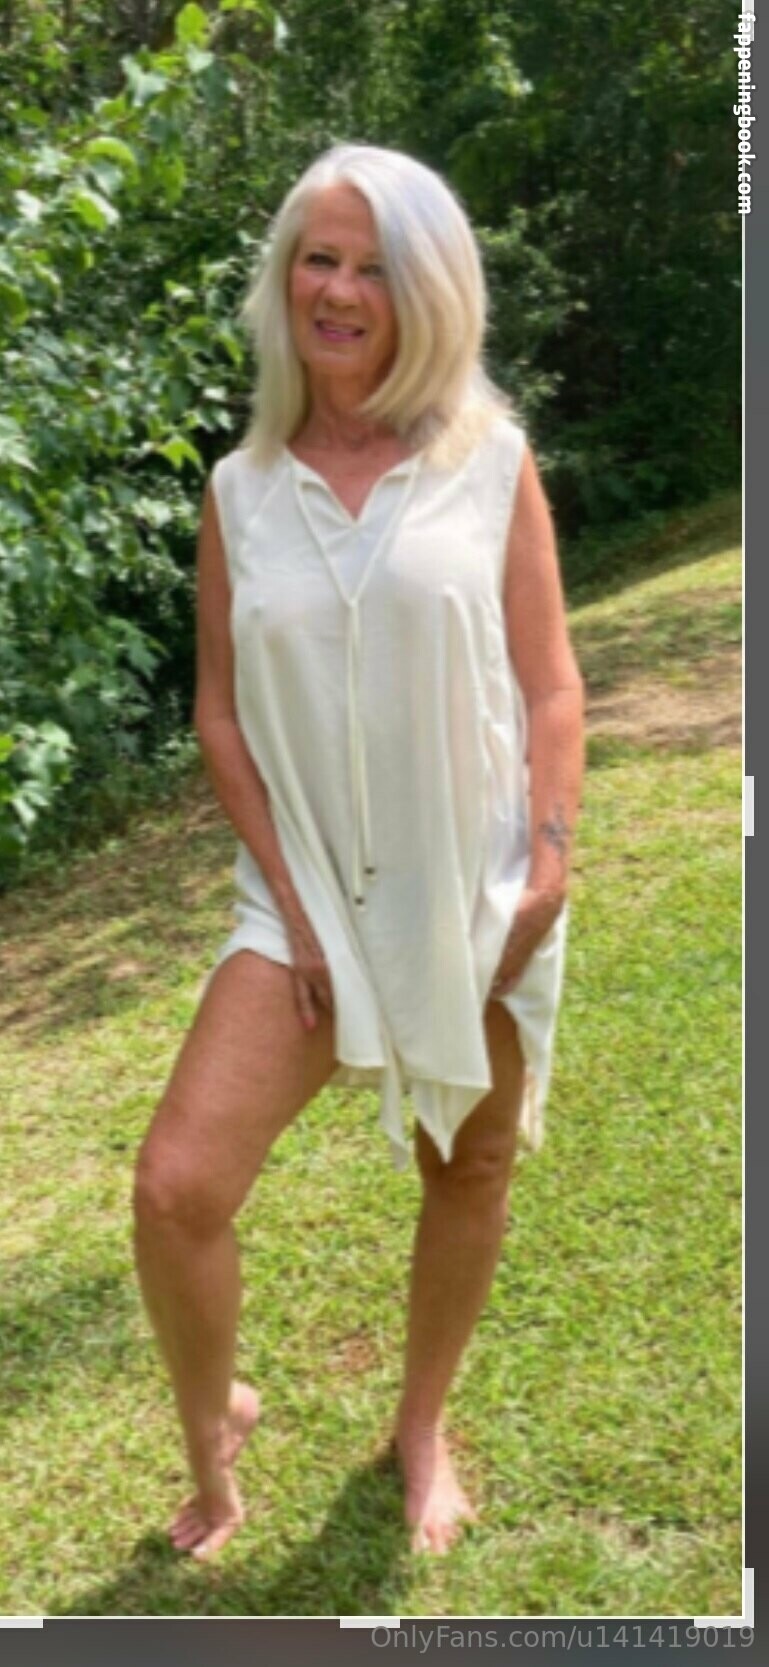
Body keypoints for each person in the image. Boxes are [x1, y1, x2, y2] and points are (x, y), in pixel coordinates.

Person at [133, 142, 585, 1562]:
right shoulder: (239, 489)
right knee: (177, 1189)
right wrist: (295, 904)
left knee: (471, 1163)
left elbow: (552, 683)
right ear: (285, 282)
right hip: (302, 893)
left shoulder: (488, 461)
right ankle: (216, 1437)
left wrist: (547, 868)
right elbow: (219, 714)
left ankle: (421, 1426)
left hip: (474, 880)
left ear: (426, 290)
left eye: (374, 266)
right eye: (317, 260)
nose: (338, 290)